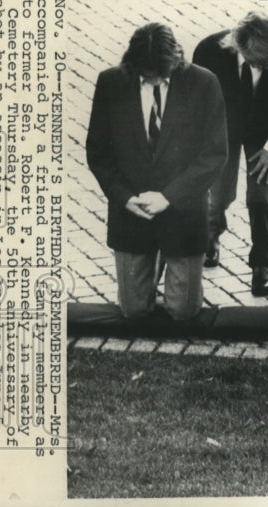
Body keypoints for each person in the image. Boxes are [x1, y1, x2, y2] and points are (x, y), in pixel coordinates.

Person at [86, 22, 227, 321]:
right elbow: (98, 153)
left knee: (183, 312)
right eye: (145, 76)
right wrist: (124, 199)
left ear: (176, 59)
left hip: (183, 210)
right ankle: (151, 263)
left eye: (159, 76)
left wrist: (169, 197)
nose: (152, 82)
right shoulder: (111, 82)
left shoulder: (204, 83)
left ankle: (172, 263)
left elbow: (214, 154)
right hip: (132, 213)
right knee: (133, 311)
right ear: (131, 63)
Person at [192, 11, 268, 297]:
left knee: (260, 199)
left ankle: (262, 265)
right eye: (263, 62)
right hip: (222, 134)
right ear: (240, 46)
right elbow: (196, 100)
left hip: (263, 135)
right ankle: (210, 238)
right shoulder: (208, 51)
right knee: (219, 194)